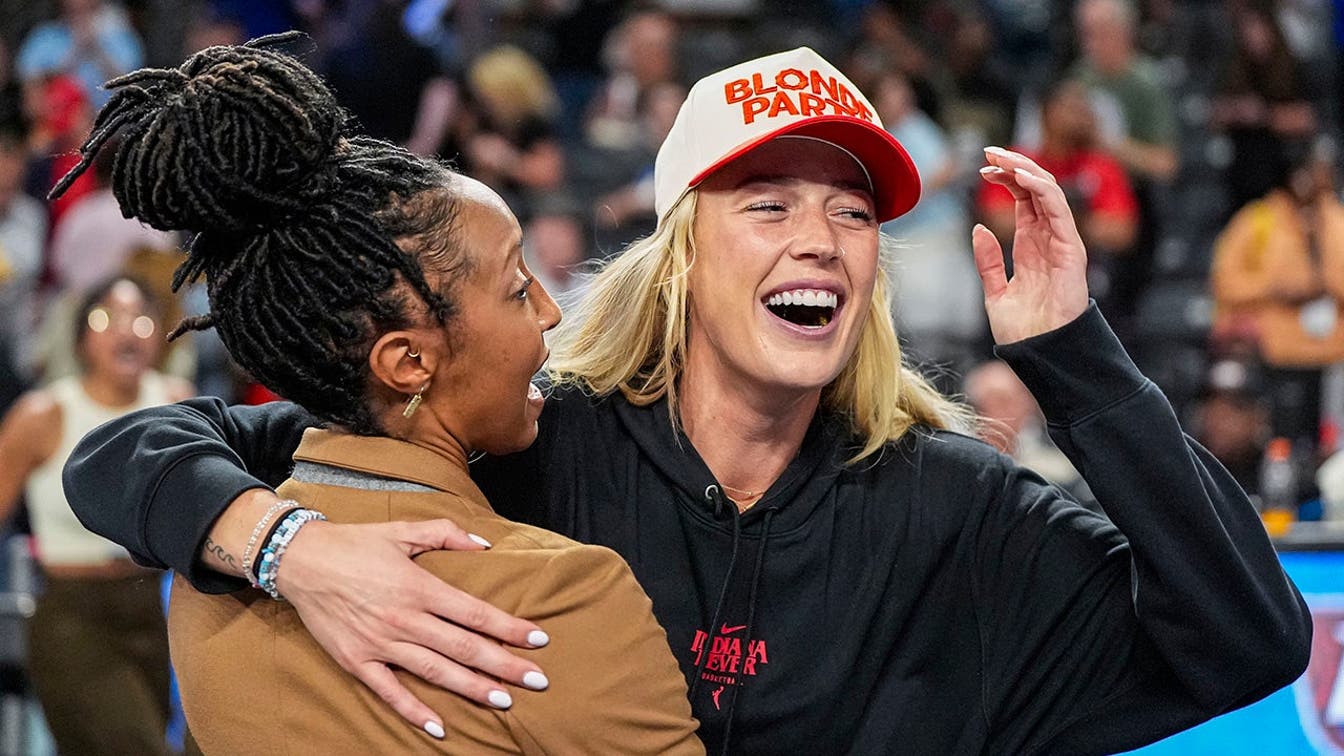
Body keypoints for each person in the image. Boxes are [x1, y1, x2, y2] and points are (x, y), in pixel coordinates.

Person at [64, 45, 1311, 754]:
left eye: (853, 212)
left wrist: (1074, 354)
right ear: (678, 255)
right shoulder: (527, 437)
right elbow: (129, 454)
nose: (819, 238)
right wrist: (283, 544)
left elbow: (1249, 637)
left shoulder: (964, 511)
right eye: (767, 204)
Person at [49, 35, 701, 754]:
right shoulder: (563, 597)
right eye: (518, 289)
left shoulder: (211, 583)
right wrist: (291, 549)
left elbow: (132, 450)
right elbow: (117, 450)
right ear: (408, 361)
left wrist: (278, 547)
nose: (550, 311)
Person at [0, 276, 193, 755]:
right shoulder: (43, 414)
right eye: (107, 318)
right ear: (82, 337)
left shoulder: (178, 404)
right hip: (73, 615)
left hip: (158, 609)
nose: (126, 330)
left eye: (142, 319)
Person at [1210, 141, 1344, 447]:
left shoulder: (1338, 221)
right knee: (1278, 441)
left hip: (1334, 358)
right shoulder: (1258, 220)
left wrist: (1324, 282)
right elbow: (1225, 281)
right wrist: (1274, 289)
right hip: (1273, 355)